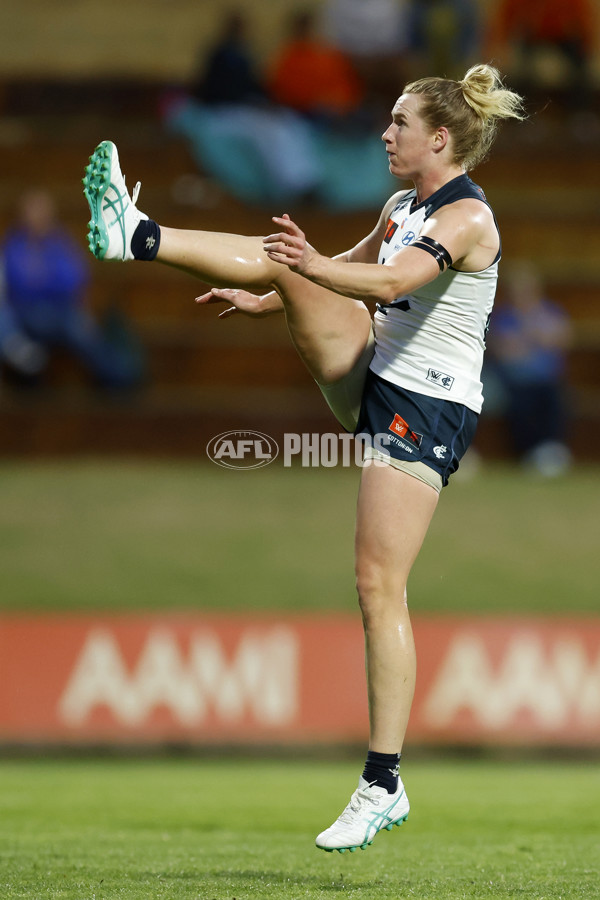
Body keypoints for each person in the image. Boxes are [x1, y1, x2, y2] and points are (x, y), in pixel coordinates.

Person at [83, 63, 524, 852]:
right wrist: (271, 292)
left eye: (398, 122)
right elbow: (339, 274)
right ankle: (137, 234)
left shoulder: (468, 220)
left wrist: (307, 271)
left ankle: (383, 783)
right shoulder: (402, 204)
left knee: (377, 585)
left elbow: (389, 283)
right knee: (284, 260)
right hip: (375, 372)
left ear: (440, 136)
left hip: (428, 408)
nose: (384, 133)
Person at [0, 188, 142, 390]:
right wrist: (44, 279)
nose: (37, 216)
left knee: (80, 329)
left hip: (61, 313)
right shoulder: (13, 245)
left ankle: (118, 378)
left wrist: (41, 278)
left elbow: (73, 279)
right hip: (24, 313)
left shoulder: (61, 243)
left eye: (42, 210)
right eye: (32, 210)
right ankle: (28, 374)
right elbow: (17, 282)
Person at [487, 261, 572, 476]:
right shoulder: (502, 316)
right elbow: (504, 350)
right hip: (513, 380)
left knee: (555, 399)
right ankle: (529, 452)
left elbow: (560, 338)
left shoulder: (550, 311)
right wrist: (534, 339)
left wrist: (526, 339)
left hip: (547, 380)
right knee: (520, 402)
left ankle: (551, 450)